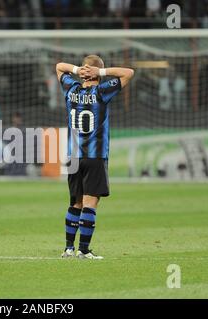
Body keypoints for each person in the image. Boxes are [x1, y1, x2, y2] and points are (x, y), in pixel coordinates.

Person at [56, 55, 134, 259]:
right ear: (97, 74)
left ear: (83, 72)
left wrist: (76, 69)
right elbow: (129, 73)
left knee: (75, 203)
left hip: (73, 157)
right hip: (94, 156)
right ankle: (83, 250)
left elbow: (58, 67)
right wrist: (100, 72)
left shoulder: (71, 89)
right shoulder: (101, 91)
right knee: (90, 204)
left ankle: (68, 249)